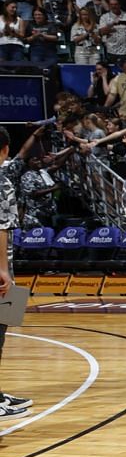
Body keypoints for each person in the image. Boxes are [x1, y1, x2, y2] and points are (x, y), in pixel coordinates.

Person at [0, 128, 23, 418]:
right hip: (2, 274)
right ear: (5, 149)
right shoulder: (2, 181)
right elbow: (1, 226)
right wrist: (3, 271)